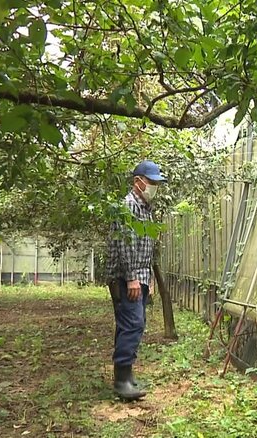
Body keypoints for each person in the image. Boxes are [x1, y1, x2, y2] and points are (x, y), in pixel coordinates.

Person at [106, 160, 166, 401]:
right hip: (126, 276)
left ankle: (126, 376)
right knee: (133, 324)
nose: (154, 186)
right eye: (151, 182)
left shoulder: (145, 208)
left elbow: (145, 246)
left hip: (139, 275)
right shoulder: (128, 206)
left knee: (130, 324)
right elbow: (125, 244)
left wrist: (147, 277)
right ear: (137, 181)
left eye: (156, 183)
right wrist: (132, 278)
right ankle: (121, 381)